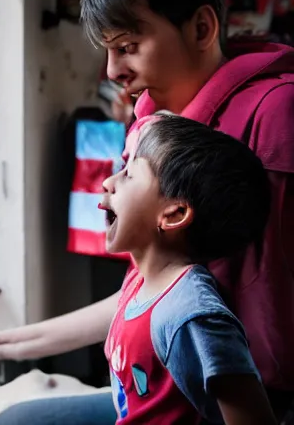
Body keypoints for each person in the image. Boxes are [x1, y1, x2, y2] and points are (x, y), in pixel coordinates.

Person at [0, 0, 294, 423]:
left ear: (201, 27)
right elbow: (144, 293)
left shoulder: (277, 112)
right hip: (158, 387)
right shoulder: (148, 118)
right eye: (108, 50)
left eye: (128, 47)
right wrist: (1, 345)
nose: (112, 70)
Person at [100, 113, 274, 424]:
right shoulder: (141, 281)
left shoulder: (192, 314)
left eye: (129, 175)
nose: (109, 182)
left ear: (175, 213)